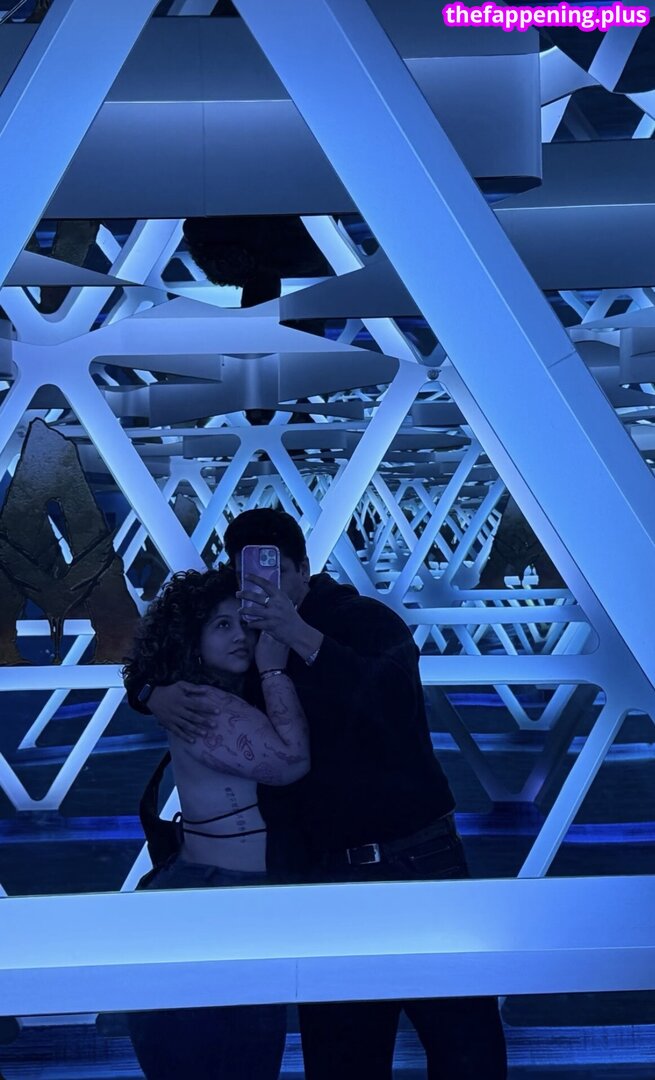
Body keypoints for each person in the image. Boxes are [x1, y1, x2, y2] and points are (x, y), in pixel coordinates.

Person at [130, 509, 507, 1080]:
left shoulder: (361, 618)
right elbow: (181, 659)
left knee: (464, 1045)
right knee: (343, 1056)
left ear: (305, 569)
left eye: (276, 571)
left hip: (415, 858)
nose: (263, 587)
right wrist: (148, 691)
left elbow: (390, 701)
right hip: (323, 873)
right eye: (248, 575)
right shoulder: (250, 640)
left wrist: (299, 636)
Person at [122, 565, 310, 1080]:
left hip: (214, 885)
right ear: (192, 639)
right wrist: (273, 670)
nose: (240, 637)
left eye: (243, 624)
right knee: (237, 1042)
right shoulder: (207, 704)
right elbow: (291, 762)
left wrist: (147, 691)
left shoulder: (195, 694)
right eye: (221, 625)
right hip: (225, 890)